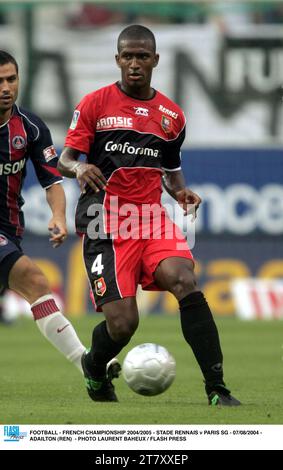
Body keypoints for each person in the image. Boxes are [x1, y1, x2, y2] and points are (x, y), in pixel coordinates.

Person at [58, 25, 241, 406]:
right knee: (124, 325)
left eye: (143, 56)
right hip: (104, 221)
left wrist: (179, 191)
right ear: (117, 60)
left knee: (185, 280)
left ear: (156, 60)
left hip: (152, 219)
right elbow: (66, 158)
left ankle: (217, 388)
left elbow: (170, 169)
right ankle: (94, 367)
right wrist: (78, 170)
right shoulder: (94, 104)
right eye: (128, 56)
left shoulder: (171, 116)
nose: (135, 64)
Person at [0, 50, 86, 374]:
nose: (6, 87)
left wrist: (59, 217)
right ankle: (87, 365)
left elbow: (52, 182)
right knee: (35, 280)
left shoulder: (31, 127)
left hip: (9, 229)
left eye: (11, 79)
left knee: (34, 285)